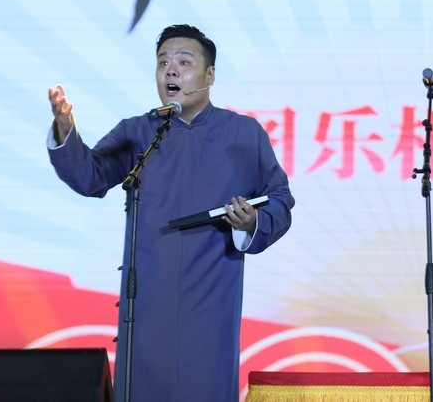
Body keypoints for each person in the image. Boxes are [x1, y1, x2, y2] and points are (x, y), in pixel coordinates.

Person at [47, 24, 294, 401]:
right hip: (145, 304)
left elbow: (279, 198)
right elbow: (89, 177)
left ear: (210, 76)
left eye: (184, 62)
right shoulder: (137, 132)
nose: (171, 71)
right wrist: (65, 131)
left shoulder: (244, 134)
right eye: (163, 63)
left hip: (212, 302)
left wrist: (252, 222)